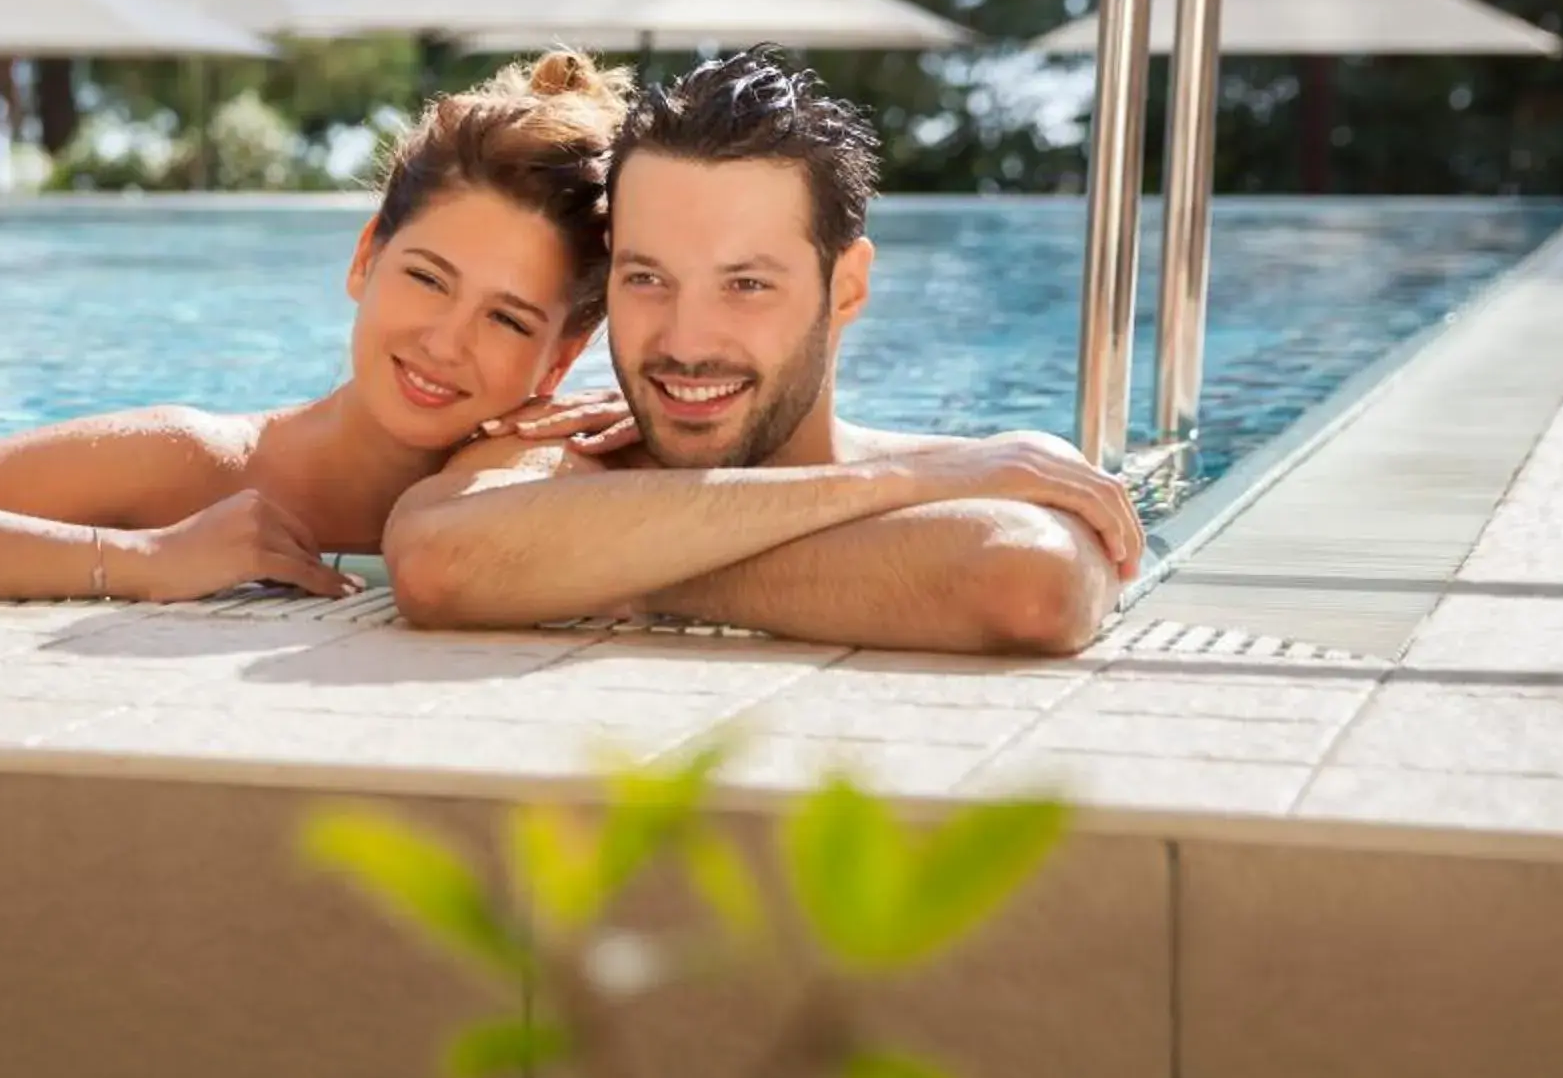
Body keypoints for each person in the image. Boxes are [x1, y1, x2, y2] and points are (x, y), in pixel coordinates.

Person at [0, 52, 632, 603]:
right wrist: (139, 559)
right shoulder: (199, 463)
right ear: (366, 258)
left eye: (508, 318)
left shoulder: (560, 471)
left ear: (562, 356)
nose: (446, 339)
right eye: (427, 277)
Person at [383, 46, 1144, 655]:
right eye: (647, 278)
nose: (685, 343)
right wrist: (902, 490)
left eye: (745, 284)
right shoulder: (569, 447)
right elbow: (435, 562)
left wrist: (601, 565)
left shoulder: (1000, 465)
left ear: (845, 288)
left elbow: (1031, 585)